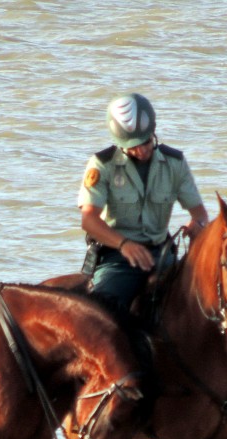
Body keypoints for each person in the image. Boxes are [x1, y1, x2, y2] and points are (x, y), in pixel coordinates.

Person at [78, 93, 209, 318]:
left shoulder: (174, 164)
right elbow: (89, 220)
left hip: (162, 257)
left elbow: (200, 213)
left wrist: (197, 224)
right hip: (117, 259)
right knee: (100, 317)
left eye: (147, 142)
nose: (142, 150)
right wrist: (124, 245)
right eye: (134, 146)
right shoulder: (102, 165)